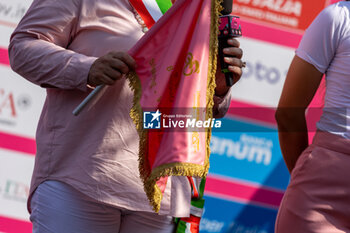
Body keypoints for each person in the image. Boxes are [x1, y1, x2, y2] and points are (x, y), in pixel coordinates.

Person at [9, 0, 244, 232]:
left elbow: (200, 104)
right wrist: (86, 69)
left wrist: (219, 88)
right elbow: (23, 47)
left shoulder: (196, 6)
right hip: (82, 181)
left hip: (161, 191)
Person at [275, 1, 350, 232]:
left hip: (320, 187)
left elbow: (288, 115)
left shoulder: (337, 18)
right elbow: (288, 115)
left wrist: (308, 175)